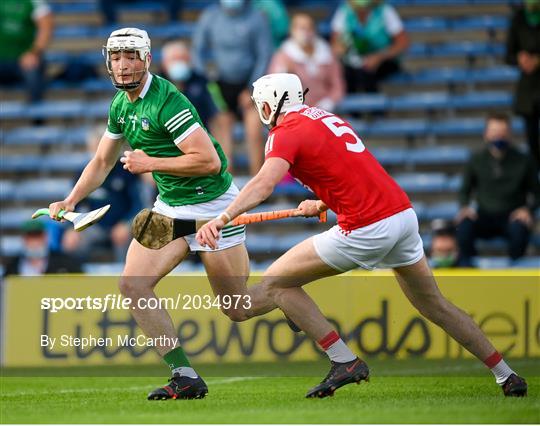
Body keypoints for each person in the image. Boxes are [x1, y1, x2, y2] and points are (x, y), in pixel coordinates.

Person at [196, 73, 528, 398]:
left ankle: (344, 361)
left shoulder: (285, 132)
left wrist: (223, 218)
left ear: (271, 104)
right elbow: (353, 173)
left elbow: (263, 183)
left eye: (260, 105)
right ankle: (506, 374)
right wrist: (323, 200)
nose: (260, 112)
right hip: (402, 215)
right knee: (435, 304)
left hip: (368, 226)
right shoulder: (325, 117)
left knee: (276, 283)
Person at [47, 28, 256, 401]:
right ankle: (184, 375)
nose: (123, 65)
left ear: (146, 60)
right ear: (107, 61)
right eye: (116, 57)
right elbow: (101, 161)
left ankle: (283, 295)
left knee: (238, 307)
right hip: (171, 206)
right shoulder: (120, 104)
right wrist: (71, 200)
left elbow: (208, 161)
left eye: (131, 57)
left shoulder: (168, 101)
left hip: (212, 208)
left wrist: (149, 163)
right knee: (132, 284)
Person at [192, 0, 273, 175]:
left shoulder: (256, 17)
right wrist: (207, 77)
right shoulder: (210, 17)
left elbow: (264, 54)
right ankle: (228, 182)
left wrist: (252, 87)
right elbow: (197, 50)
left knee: (254, 131)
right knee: (222, 132)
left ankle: (258, 180)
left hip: (249, 84)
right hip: (220, 84)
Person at [456, 113, 539, 267]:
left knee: (519, 230)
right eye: (494, 132)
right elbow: (464, 190)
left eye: (502, 132)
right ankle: (470, 271)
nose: (498, 136)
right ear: (486, 134)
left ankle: (515, 272)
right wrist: (465, 207)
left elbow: (537, 193)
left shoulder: (524, 160)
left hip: (512, 216)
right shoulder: (476, 159)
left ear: (509, 134)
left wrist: (528, 210)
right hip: (484, 215)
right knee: (464, 227)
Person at [60, 126, 144, 262]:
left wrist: (126, 224)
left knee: (128, 243)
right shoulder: (83, 173)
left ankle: (124, 279)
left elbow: (139, 204)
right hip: (94, 225)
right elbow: (72, 204)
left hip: (121, 225)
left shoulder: (127, 170)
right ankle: (75, 278)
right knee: (72, 242)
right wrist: (70, 228)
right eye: (93, 147)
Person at [268, 13, 345, 112]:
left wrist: (329, 101)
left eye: (309, 28)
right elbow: (275, 88)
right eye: (301, 28)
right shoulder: (283, 56)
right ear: (292, 31)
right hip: (295, 112)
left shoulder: (326, 54)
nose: (306, 32)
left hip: (325, 111)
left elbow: (337, 85)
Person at [330, 0, 408, 93]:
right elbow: (335, 43)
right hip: (353, 62)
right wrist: (340, 48)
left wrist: (379, 57)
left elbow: (402, 43)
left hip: (384, 62)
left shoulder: (385, 10)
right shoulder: (344, 11)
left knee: (367, 73)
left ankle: (374, 105)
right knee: (347, 74)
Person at [505, 0, 540, 168]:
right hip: (529, 90)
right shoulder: (518, 19)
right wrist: (520, 59)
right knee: (532, 138)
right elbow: (508, 55)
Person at [160, 39, 223, 131]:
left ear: (189, 60)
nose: (178, 63)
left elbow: (216, 116)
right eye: (174, 59)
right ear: (164, 63)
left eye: (182, 58)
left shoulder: (202, 82)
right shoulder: (155, 86)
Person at [0, 0, 54, 103]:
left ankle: (37, 114)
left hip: (23, 60)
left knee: (33, 72)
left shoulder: (34, 2)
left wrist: (34, 53)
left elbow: (46, 27)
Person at [3, 220, 82, 276]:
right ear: (24, 239)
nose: (34, 242)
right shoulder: (13, 265)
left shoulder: (65, 262)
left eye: (38, 236)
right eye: (30, 237)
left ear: (45, 237)